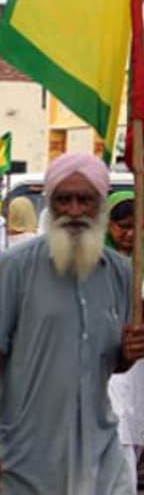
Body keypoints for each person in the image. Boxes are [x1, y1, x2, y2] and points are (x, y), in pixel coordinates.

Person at [0, 153, 144, 495]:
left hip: (96, 445)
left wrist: (129, 351)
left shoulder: (120, 273)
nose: (73, 210)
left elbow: (114, 365)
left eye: (84, 200)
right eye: (63, 199)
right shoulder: (16, 268)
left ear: (100, 203)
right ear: (49, 202)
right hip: (22, 446)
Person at [105, 192, 144, 478]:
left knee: (136, 429)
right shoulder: (98, 263)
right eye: (123, 227)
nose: (129, 235)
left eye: (136, 227)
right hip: (113, 361)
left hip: (140, 361)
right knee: (120, 434)